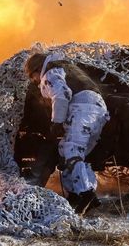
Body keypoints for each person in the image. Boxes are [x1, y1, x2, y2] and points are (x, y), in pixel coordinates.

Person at [24, 52, 110, 213]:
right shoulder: (65, 67)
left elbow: (62, 95)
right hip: (96, 109)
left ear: (36, 70)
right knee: (70, 152)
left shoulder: (50, 73)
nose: (35, 82)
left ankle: (86, 194)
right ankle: (77, 194)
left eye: (32, 77)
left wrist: (56, 122)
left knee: (71, 149)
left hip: (83, 108)